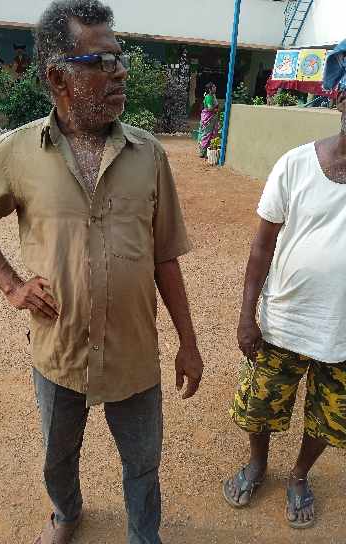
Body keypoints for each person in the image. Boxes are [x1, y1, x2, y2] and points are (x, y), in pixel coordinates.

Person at [0, 1, 204, 543]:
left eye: (120, 58)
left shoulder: (149, 154)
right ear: (58, 77)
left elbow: (165, 255)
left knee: (143, 465)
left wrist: (188, 342)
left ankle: (144, 536)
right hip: (59, 352)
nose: (120, 73)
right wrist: (12, 286)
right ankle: (66, 514)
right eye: (101, 61)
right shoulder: (17, 152)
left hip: (134, 353)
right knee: (57, 456)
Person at [223, 40, 346, 530]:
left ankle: (298, 475)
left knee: (330, 416)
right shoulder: (295, 165)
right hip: (284, 322)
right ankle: (258, 465)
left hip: (341, 335)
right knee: (259, 406)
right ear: (340, 97)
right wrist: (246, 315)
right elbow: (261, 247)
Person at [197, 82, 220, 158]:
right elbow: (210, 108)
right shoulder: (209, 97)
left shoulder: (213, 96)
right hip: (208, 118)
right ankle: (202, 151)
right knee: (206, 134)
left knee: (210, 134)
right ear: (210, 89)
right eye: (213, 87)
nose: (215, 88)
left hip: (212, 117)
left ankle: (207, 152)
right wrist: (216, 110)